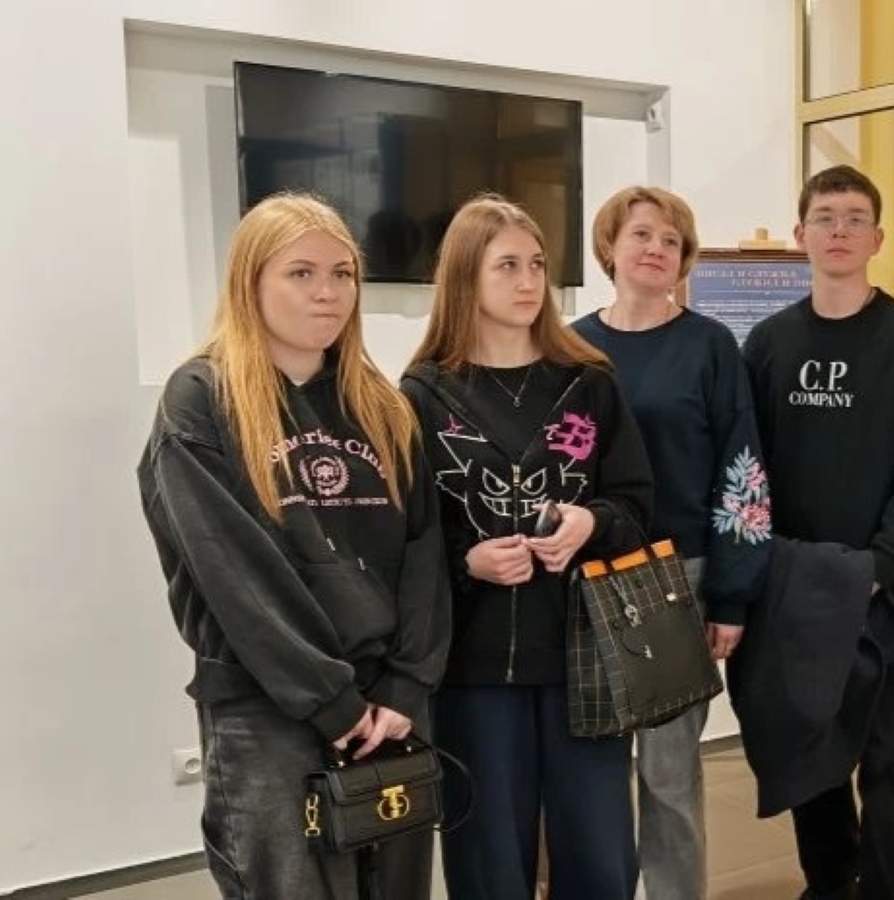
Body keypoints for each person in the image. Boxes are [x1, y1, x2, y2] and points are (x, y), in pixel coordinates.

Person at [136, 192, 449, 899]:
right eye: (301, 273)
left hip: (389, 705)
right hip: (267, 709)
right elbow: (235, 575)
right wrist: (332, 704)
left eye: (342, 274)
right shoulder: (202, 398)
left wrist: (405, 686)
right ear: (250, 282)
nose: (327, 292)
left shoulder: (382, 406)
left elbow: (424, 557)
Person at [400, 194, 654, 899]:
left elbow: (636, 506)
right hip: (475, 666)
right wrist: (469, 561)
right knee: (488, 859)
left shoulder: (589, 383)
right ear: (465, 277)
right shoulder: (423, 395)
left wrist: (591, 524)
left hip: (586, 658)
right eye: (507, 265)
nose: (528, 281)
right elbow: (408, 537)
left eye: (537, 264)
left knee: (600, 857)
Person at [743, 164, 894, 900]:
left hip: (883, 591)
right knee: (813, 752)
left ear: (878, 238)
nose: (840, 231)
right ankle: (827, 883)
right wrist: (767, 568)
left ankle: (886, 889)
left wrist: (881, 564)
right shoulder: (768, 344)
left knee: (889, 757)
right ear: (800, 234)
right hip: (799, 589)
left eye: (855, 218)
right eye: (825, 218)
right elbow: (749, 467)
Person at [572, 186, 772, 900]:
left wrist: (733, 593)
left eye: (670, 240)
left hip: (676, 579)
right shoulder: (571, 347)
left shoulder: (709, 346)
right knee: (591, 772)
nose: (656, 248)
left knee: (669, 773)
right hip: (585, 581)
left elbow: (742, 471)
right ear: (610, 246)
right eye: (642, 234)